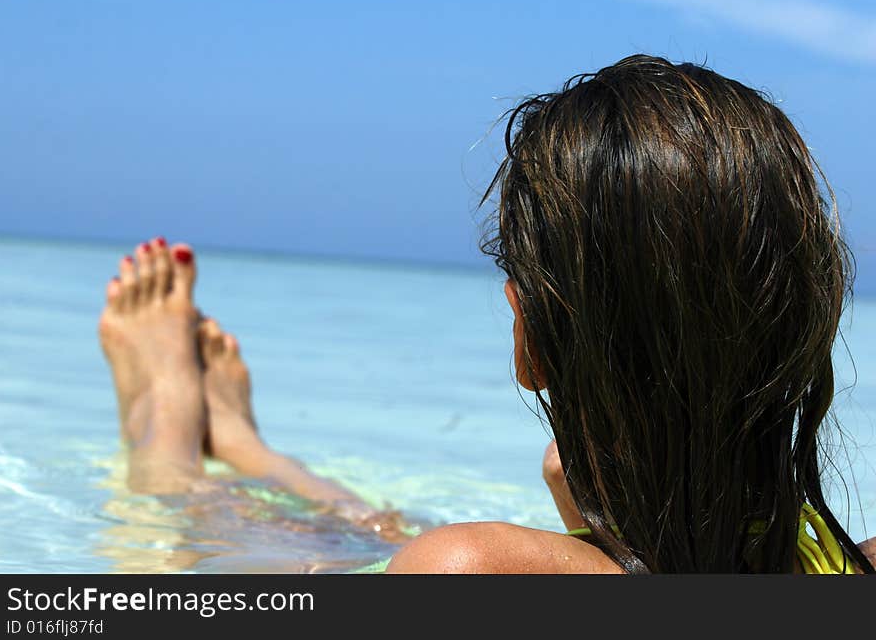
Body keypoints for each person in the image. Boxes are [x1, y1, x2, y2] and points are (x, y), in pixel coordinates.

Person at [100, 55, 876, 573]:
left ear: (527, 341)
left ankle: (163, 426)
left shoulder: (463, 569)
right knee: (517, 489)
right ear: (810, 325)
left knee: (206, 516)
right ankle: (246, 445)